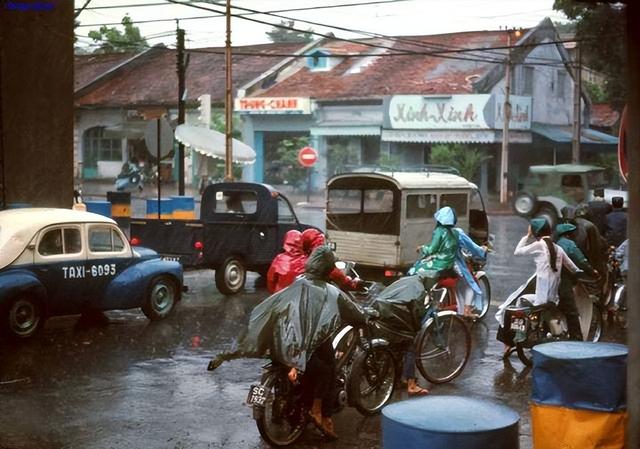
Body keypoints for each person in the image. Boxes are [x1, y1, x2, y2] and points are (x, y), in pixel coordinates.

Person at [208, 246, 368, 440]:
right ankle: (317, 411)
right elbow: (353, 312)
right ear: (328, 268)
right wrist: (364, 317)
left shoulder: (298, 281)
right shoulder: (330, 291)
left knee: (316, 360)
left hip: (281, 337)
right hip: (300, 342)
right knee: (327, 370)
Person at [496, 218, 580, 354]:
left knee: (514, 304)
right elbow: (574, 268)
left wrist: (527, 236)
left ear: (535, 232)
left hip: (539, 300)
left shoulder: (539, 245)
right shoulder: (558, 249)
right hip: (553, 300)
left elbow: (517, 252)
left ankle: (518, 336)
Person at [554, 223, 599, 340]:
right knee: (572, 312)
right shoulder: (569, 244)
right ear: (569, 234)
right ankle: (577, 339)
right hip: (564, 282)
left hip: (551, 283)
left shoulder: (555, 244)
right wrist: (592, 271)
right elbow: (581, 261)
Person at [408, 206, 459, 291]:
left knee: (414, 269)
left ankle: (420, 293)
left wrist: (422, 248)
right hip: (449, 264)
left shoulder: (439, 231)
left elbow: (432, 250)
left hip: (439, 263)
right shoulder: (456, 232)